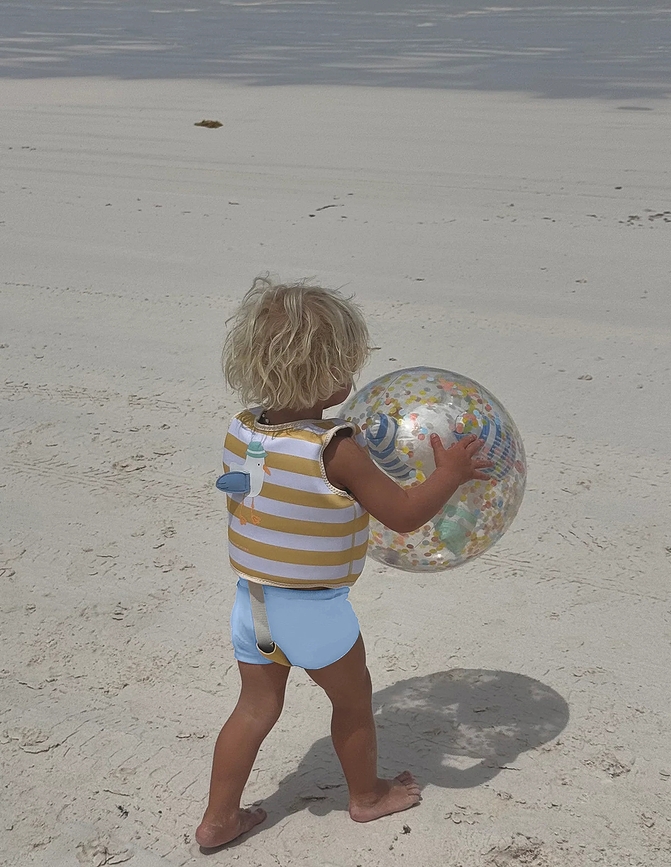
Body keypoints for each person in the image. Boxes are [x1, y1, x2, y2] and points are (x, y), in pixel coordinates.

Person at [195, 277, 493, 849]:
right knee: (354, 704)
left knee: (255, 707)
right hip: (313, 608)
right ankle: (367, 796)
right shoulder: (335, 449)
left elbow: (248, 484)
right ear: (327, 372)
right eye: (345, 365)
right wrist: (449, 475)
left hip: (253, 599)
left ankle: (218, 819)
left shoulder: (243, 428)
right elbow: (404, 516)